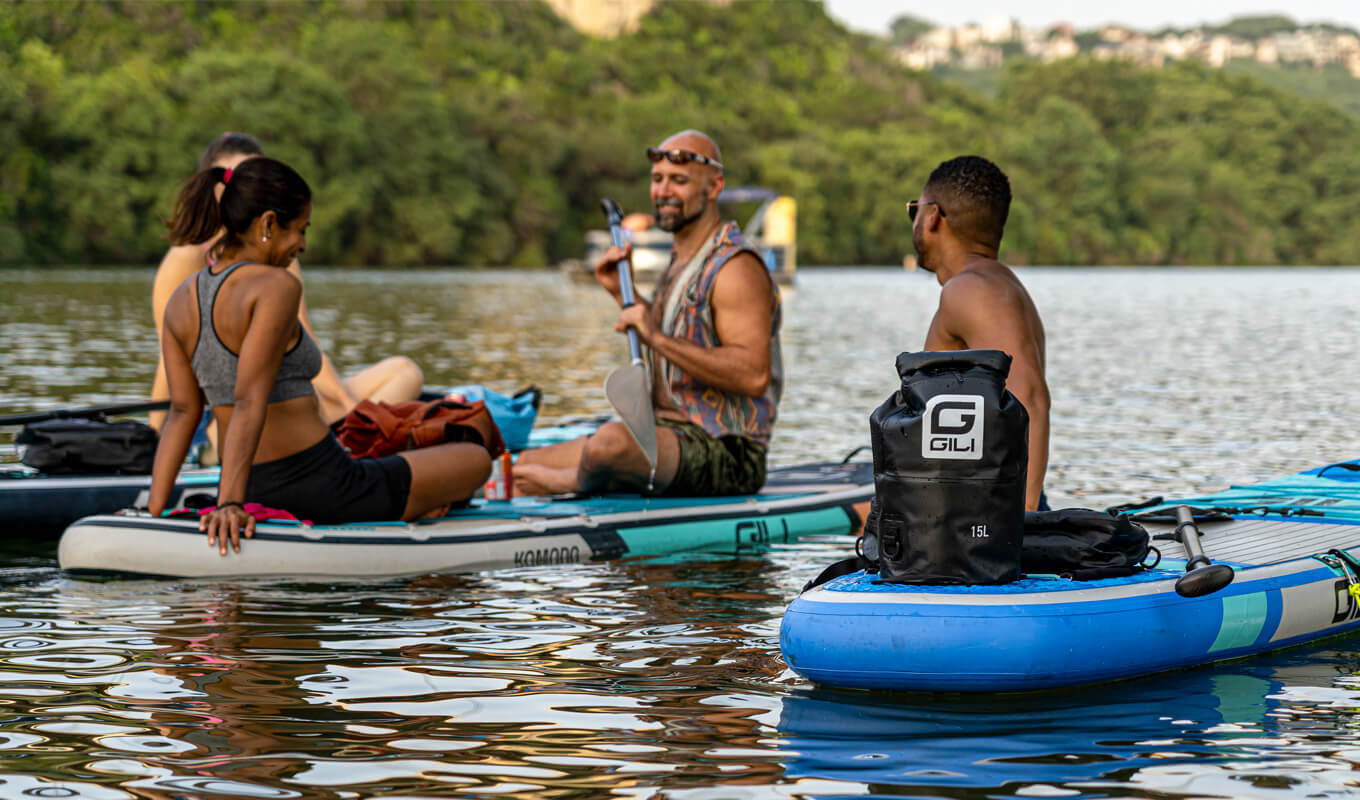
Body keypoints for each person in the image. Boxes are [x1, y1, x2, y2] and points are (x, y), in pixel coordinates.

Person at [147, 157, 490, 553]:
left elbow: (182, 413)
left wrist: (154, 512)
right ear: (268, 224)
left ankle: (422, 501)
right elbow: (248, 398)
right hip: (326, 487)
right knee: (475, 457)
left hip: (252, 482)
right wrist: (229, 506)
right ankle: (426, 505)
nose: (303, 245)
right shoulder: (275, 286)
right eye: (300, 230)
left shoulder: (181, 299)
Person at [515, 130, 782, 496]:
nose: (663, 191)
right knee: (524, 464)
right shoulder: (683, 260)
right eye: (657, 179)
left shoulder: (736, 267)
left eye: (679, 180)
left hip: (729, 451)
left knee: (609, 445)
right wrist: (620, 293)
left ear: (715, 185)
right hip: (663, 433)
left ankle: (570, 484)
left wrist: (654, 337)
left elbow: (753, 376)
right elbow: (666, 333)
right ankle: (568, 476)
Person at [149, 132, 422, 438]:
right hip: (228, 415)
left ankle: (348, 430)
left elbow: (306, 346)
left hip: (291, 397)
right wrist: (153, 437)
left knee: (405, 372)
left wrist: (348, 405)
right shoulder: (185, 259)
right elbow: (170, 363)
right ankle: (344, 432)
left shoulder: (281, 252)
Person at [910, 155, 1051, 511]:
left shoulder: (974, 290)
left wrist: (1024, 523)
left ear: (932, 216)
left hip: (986, 516)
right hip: (976, 506)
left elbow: (1030, 398)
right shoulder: (995, 284)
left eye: (914, 209)